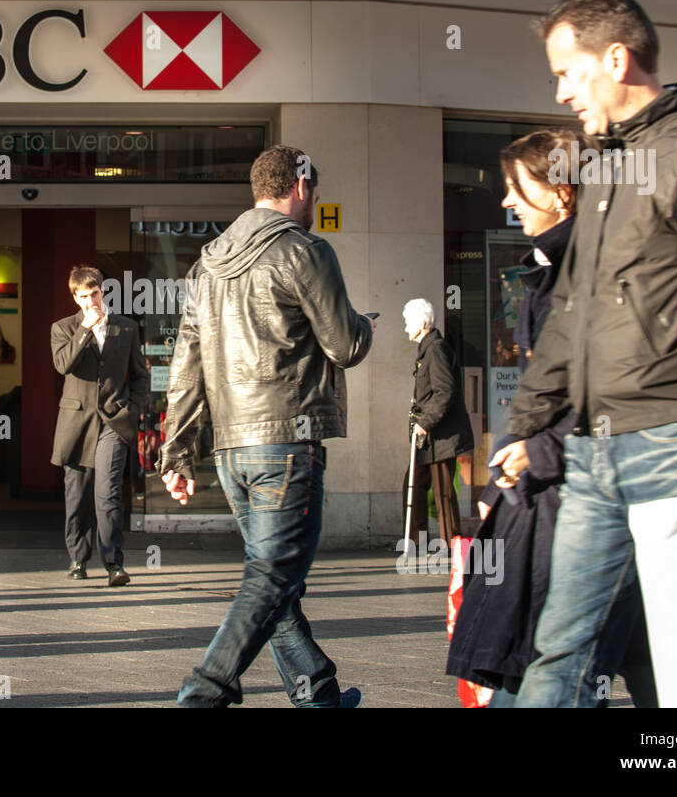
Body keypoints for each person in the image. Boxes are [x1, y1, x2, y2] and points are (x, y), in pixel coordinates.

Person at [492, 0, 677, 707]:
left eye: (567, 71)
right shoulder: (606, 166)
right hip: (593, 452)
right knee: (560, 647)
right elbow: (574, 313)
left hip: (676, 446)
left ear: (615, 59)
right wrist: (523, 422)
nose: (560, 92)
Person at [447, 127, 657, 707]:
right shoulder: (552, 264)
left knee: (559, 663)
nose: (506, 201)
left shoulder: (592, 268)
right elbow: (547, 388)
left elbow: (615, 391)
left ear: (561, 191)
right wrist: (508, 464)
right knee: (627, 658)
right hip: (551, 490)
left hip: (581, 496)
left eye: (517, 187)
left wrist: (537, 451)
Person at [160, 144, 374, 708]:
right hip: (287, 445)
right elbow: (345, 345)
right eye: (316, 191)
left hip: (232, 452)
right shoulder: (305, 251)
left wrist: (177, 455)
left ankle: (319, 696)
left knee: (275, 580)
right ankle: (201, 694)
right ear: (299, 185)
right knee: (272, 579)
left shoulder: (206, 264)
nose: (317, 203)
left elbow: (186, 369)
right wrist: (365, 324)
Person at [50, 265, 150, 585]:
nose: (90, 300)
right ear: (75, 297)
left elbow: (140, 375)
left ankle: (114, 564)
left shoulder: (127, 328)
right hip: (76, 423)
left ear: (102, 291)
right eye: (83, 296)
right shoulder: (63, 328)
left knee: (107, 494)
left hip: (113, 420)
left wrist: (132, 409)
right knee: (77, 496)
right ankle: (78, 558)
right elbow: (63, 364)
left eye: (94, 293)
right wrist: (85, 329)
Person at [401, 297, 472, 548]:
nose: (406, 327)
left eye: (408, 322)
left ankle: (452, 546)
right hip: (428, 439)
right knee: (414, 487)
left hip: (441, 437)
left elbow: (445, 391)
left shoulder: (436, 349)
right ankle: (415, 542)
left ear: (421, 323)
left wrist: (425, 422)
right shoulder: (428, 350)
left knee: (442, 493)